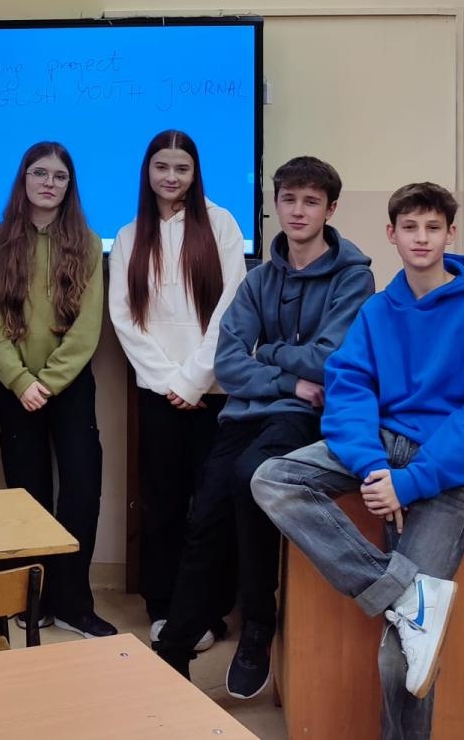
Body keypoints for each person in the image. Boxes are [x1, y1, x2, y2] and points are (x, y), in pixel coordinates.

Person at [250, 183, 464, 740]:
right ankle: (404, 595)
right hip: (383, 450)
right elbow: (349, 388)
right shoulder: (378, 310)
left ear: (450, 235)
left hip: (450, 470)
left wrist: (410, 483)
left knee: (400, 659)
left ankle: (408, 611)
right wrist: (374, 466)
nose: (421, 238)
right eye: (410, 228)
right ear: (391, 235)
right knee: (273, 478)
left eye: (433, 228)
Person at [154, 157, 375, 700]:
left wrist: (269, 353)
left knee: (251, 478)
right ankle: (173, 650)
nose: (298, 211)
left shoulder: (354, 276)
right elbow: (229, 364)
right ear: (275, 205)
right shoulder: (258, 280)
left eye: (311, 201)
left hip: (306, 417)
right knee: (205, 510)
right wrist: (288, 378)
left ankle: (258, 624)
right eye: (289, 199)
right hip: (249, 411)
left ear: (330, 209)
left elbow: (331, 359)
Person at [108, 130, 247, 650]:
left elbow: (232, 310)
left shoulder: (222, 224)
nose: (171, 177)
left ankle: (206, 612)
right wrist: (171, 382)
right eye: (161, 167)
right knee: (162, 505)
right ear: (148, 171)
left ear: (195, 172)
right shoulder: (128, 236)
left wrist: (193, 379)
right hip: (159, 394)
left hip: (213, 393)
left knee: (209, 507)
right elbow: (124, 318)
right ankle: (164, 608)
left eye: (181, 168)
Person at [0, 141, 114, 639]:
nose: (49, 183)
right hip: (17, 388)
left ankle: (74, 603)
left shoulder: (87, 242)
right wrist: (19, 381)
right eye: (39, 173)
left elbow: (87, 328)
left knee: (81, 489)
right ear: (24, 179)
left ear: (69, 185)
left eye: (59, 176)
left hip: (69, 387)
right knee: (28, 494)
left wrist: (49, 382)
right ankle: (34, 602)